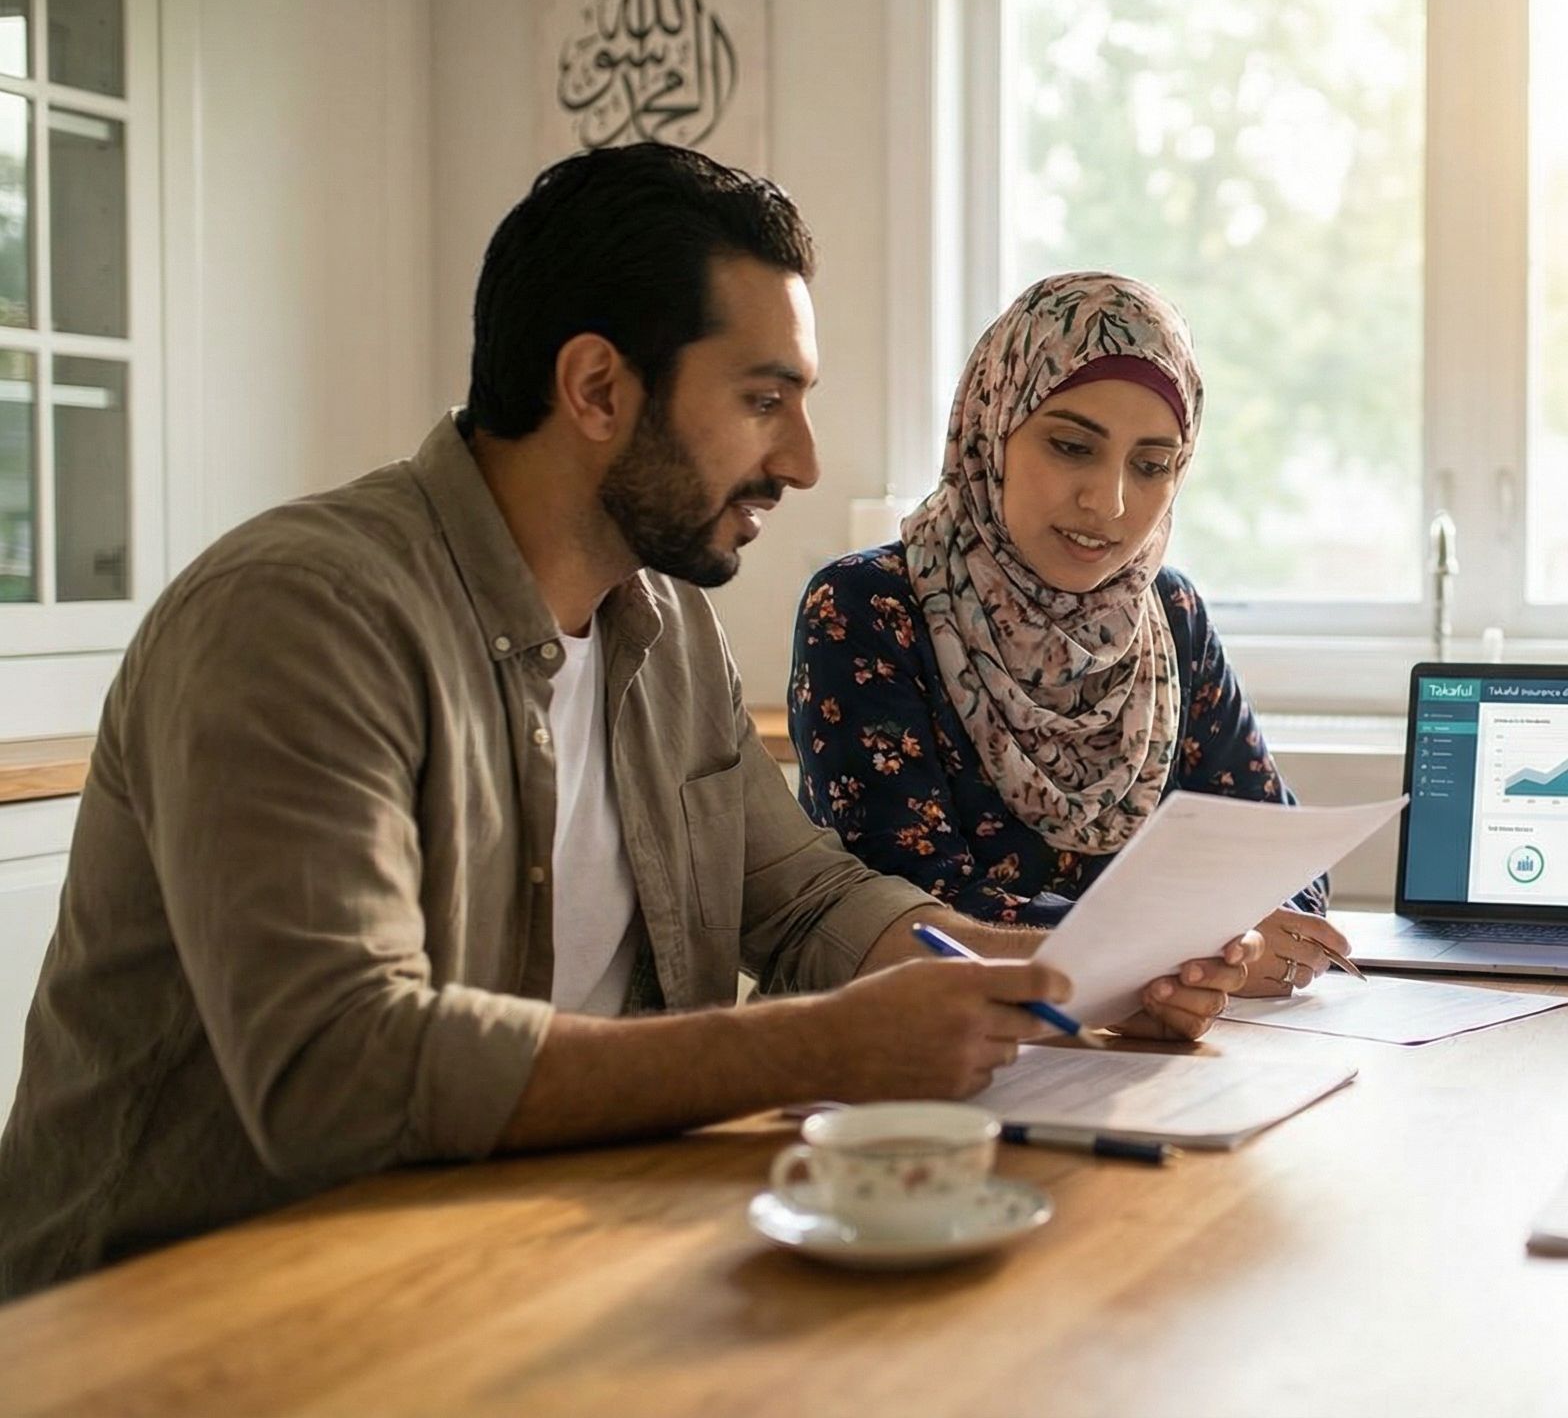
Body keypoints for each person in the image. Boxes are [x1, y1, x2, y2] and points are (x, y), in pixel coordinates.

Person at [0, 144, 1099, 1300]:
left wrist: (1067, 973)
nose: (802, 461)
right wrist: (820, 1045)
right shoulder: (298, 615)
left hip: (501, 1271)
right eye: (763, 401)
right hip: (164, 1327)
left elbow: (807, 900)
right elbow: (338, 1073)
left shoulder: (666, 621)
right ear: (596, 389)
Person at [789, 271, 1345, 1013]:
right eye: (1072, 446)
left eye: (1151, 466)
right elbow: (912, 913)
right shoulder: (870, 608)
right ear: (993, 428)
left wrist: (1228, 946)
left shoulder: (1169, 617)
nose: (1109, 501)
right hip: (912, 1070)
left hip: (1139, 1064)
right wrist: (1180, 950)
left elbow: (1280, 862)